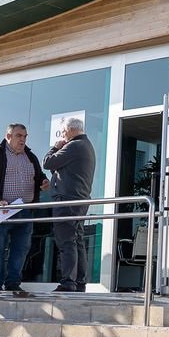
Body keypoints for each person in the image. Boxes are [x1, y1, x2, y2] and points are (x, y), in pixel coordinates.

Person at [0, 123, 48, 293]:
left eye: (25, 136)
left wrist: (43, 181)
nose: (22, 140)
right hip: (0, 210)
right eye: (19, 136)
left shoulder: (30, 156)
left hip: (25, 211)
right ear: (8, 136)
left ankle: (13, 283)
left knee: (21, 249)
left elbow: (38, 176)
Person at [43, 117, 96, 292]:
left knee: (67, 241)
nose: (62, 135)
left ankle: (68, 282)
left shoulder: (74, 146)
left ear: (71, 130)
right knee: (76, 240)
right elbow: (58, 167)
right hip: (77, 200)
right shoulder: (85, 145)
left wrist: (55, 147)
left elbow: (48, 162)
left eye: (63, 131)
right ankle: (79, 282)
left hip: (67, 201)